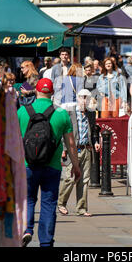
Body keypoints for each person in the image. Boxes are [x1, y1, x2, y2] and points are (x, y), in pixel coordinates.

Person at [18, 78, 81, 247]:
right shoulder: (61, 114)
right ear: (52, 93)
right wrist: (76, 166)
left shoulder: (22, 111)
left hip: (27, 165)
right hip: (52, 166)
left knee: (28, 199)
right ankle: (46, 242)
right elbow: (71, 144)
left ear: (36, 91)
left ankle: (26, 230)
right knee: (48, 204)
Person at [58, 89, 100, 217]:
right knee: (70, 178)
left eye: (87, 98)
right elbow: (63, 132)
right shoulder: (69, 113)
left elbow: (93, 131)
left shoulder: (91, 114)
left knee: (84, 180)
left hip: (86, 149)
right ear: (77, 98)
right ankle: (61, 203)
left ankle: (81, 208)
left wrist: (96, 141)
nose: (84, 100)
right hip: (73, 150)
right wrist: (64, 149)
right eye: (82, 97)